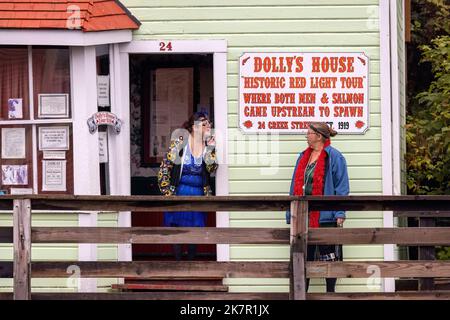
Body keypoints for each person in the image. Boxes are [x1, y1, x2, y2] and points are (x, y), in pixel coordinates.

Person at [286, 122, 349, 292]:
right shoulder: (303, 156)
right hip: (303, 215)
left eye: (308, 133)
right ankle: (301, 293)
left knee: (328, 258)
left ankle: (330, 294)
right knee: (303, 257)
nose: (306, 136)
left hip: (326, 216)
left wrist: (340, 212)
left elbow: (341, 187)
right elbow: (294, 185)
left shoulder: (334, 157)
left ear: (318, 136)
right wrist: (290, 213)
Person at [158, 112, 218, 260]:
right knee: (176, 228)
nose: (208, 126)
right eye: (204, 124)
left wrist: (210, 148)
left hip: (199, 193)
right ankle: (178, 262)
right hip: (179, 192)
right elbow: (165, 166)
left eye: (209, 124)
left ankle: (190, 263)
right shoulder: (180, 141)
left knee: (195, 230)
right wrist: (166, 192)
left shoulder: (208, 144)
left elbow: (212, 168)